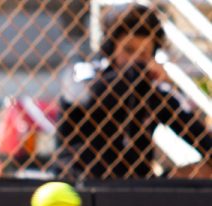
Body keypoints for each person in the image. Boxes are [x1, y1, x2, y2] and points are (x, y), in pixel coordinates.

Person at [56, 2, 212, 179]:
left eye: (144, 53)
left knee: (204, 170)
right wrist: (138, 72)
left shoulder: (154, 91)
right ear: (111, 47)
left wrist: (170, 87)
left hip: (138, 186)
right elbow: (85, 97)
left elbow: (200, 138)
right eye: (128, 50)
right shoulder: (85, 72)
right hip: (82, 181)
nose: (135, 60)